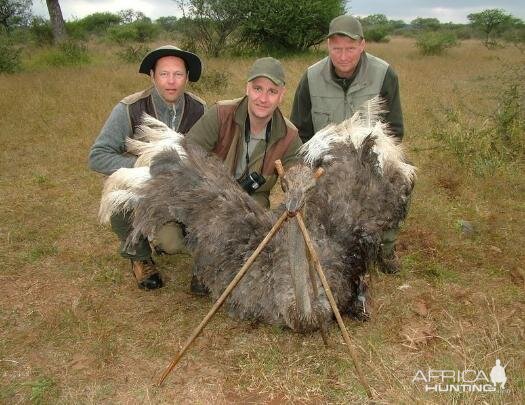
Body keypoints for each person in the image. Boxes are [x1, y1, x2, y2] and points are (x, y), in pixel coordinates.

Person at [291, 15, 406, 273]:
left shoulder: (384, 74)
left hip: (370, 162)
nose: (343, 56)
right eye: (336, 49)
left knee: (403, 177)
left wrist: (374, 165)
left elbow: (396, 131)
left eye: (350, 48)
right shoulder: (310, 77)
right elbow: (300, 130)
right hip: (328, 164)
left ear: (362, 45)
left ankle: (385, 248)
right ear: (328, 47)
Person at [88, 45, 206, 290]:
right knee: (118, 198)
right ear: (152, 75)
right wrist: (142, 167)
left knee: (173, 243)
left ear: (186, 78)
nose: (171, 81)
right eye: (164, 74)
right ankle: (139, 257)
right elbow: (98, 156)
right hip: (142, 188)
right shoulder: (129, 108)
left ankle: (201, 256)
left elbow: (209, 156)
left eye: (178, 74)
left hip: (180, 190)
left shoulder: (200, 109)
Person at [187, 57, 302, 209]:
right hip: (209, 196)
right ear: (247, 88)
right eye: (257, 89)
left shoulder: (289, 136)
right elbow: (187, 154)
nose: (263, 99)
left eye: (272, 91)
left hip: (252, 205)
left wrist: (296, 188)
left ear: (282, 95)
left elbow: (298, 178)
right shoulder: (220, 114)